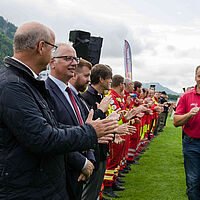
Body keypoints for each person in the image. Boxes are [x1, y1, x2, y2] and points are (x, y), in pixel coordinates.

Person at [0, 22, 118, 200]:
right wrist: (91, 132)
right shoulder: (14, 85)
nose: (73, 64)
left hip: (40, 184)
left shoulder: (25, 82)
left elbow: (52, 125)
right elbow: (43, 137)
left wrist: (89, 133)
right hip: (28, 188)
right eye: (52, 48)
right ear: (41, 47)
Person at [45, 44, 96, 200]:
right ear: (52, 62)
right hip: (61, 172)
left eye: (75, 59)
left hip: (79, 173)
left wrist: (90, 159)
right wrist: (81, 162)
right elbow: (52, 134)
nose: (74, 63)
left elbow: (85, 127)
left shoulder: (73, 94)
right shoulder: (45, 92)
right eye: (68, 58)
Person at [81, 64, 113, 200]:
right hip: (92, 153)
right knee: (88, 193)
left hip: (102, 151)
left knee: (95, 192)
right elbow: (84, 125)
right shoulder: (86, 98)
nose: (110, 82)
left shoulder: (100, 98)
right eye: (109, 79)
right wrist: (101, 111)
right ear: (101, 79)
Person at [173, 65, 200, 200]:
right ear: (196, 78)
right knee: (193, 181)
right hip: (192, 143)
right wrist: (189, 115)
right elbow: (176, 121)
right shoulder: (186, 96)